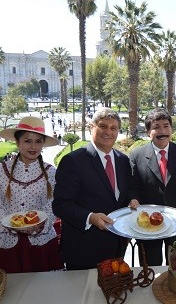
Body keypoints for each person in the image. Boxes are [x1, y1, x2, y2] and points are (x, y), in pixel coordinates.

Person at [52, 108, 137, 270]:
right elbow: (61, 205)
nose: (108, 132)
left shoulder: (123, 160)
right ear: (92, 127)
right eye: (103, 126)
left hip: (116, 248)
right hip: (84, 250)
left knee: (113, 293)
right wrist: (90, 217)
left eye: (114, 128)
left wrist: (132, 198)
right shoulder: (73, 161)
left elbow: (129, 189)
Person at [0, 116, 63, 273]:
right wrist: (9, 225)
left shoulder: (51, 173)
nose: (33, 146)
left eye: (38, 141)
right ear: (17, 142)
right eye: (27, 141)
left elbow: (54, 203)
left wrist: (40, 225)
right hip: (5, 243)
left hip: (41, 243)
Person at [129, 108, 176, 266]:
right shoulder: (136, 155)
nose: (162, 131)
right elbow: (133, 186)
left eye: (166, 126)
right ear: (148, 132)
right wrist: (133, 199)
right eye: (156, 127)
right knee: (151, 268)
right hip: (147, 225)